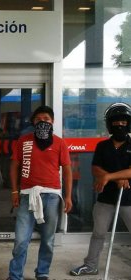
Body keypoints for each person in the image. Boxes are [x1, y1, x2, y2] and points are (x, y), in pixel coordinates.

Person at [6, 105, 72, 280]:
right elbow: (14, 166)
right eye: (39, 120)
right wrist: (14, 191)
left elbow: (67, 170)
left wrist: (68, 196)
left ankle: (42, 272)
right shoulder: (24, 141)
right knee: (21, 240)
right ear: (33, 122)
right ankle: (15, 275)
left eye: (47, 120)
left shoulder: (59, 142)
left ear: (53, 122)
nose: (43, 122)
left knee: (48, 240)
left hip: (51, 196)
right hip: (27, 195)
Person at [70, 102, 131, 277]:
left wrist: (108, 177)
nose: (120, 125)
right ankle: (90, 266)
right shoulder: (102, 146)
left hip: (129, 200)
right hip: (105, 199)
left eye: (123, 122)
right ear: (109, 124)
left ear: (128, 123)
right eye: (116, 122)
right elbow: (95, 169)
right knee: (98, 233)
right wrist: (119, 177)